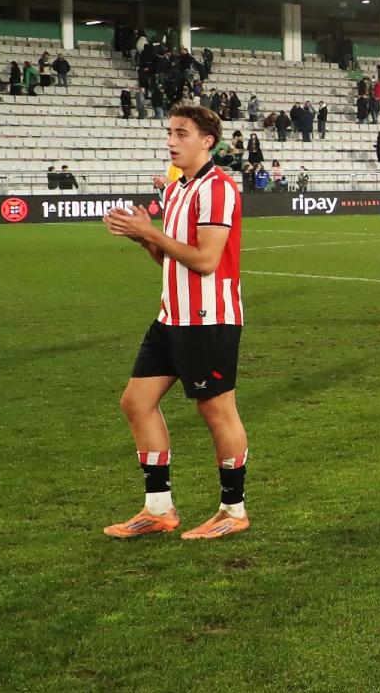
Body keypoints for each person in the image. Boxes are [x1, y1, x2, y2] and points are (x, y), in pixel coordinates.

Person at [99, 104, 252, 541]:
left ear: (207, 141)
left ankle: (233, 510)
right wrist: (144, 238)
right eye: (169, 132)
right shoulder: (176, 190)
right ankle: (159, 509)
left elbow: (205, 261)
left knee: (216, 409)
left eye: (181, 133)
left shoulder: (217, 188)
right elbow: (170, 259)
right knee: (136, 402)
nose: (171, 141)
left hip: (208, 318)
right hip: (171, 316)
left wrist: (151, 232)